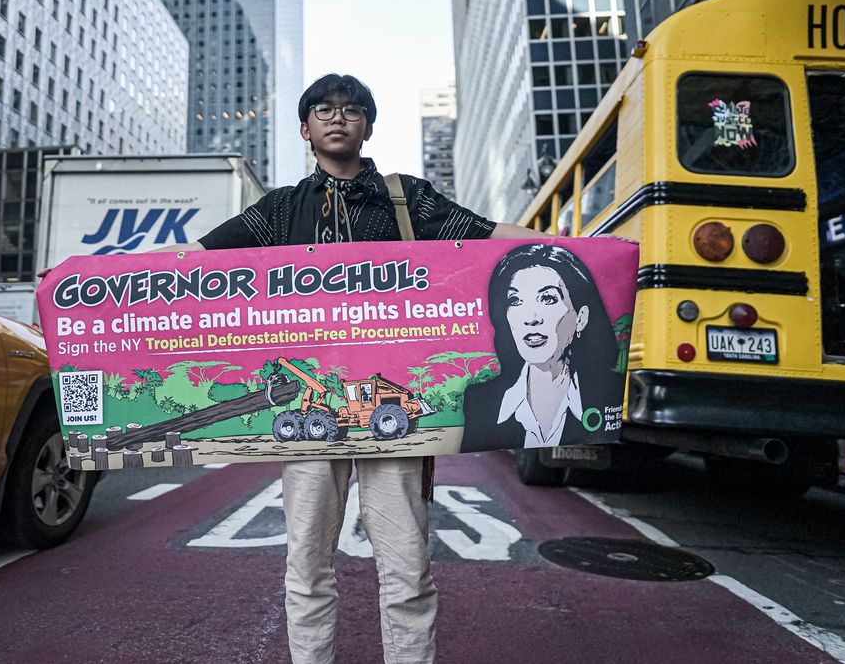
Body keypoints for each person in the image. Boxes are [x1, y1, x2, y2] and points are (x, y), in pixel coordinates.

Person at [156, 73, 545, 664]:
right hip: (310, 420)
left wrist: (574, 251)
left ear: (368, 124)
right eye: (323, 109)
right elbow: (202, 258)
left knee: (408, 567)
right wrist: (99, 276)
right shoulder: (281, 209)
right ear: (305, 127)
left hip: (398, 411)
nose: (337, 117)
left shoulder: (408, 199)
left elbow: (489, 236)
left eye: (352, 109)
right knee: (307, 565)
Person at [460, 243, 621, 453]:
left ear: (581, 318)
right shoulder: (480, 400)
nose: (531, 318)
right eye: (515, 300)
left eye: (548, 298)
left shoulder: (607, 392)